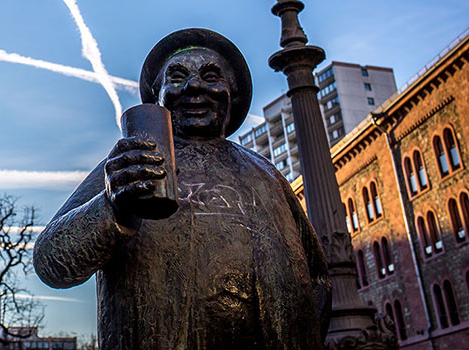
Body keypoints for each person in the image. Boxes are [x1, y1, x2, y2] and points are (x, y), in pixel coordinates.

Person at [34, 28, 331, 350]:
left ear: (233, 93)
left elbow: (317, 280)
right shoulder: (133, 164)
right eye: (177, 76)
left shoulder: (266, 175)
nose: (193, 86)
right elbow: (53, 263)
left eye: (211, 76)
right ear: (157, 96)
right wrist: (112, 207)